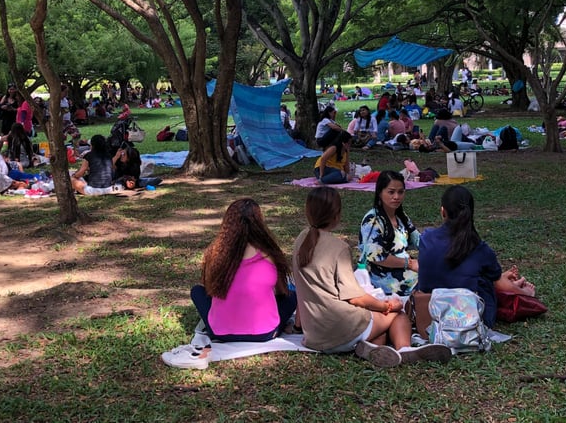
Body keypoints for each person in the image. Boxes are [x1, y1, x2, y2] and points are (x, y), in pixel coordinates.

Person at [291, 187, 450, 366]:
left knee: (378, 325)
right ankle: (404, 349)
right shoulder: (338, 247)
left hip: (315, 334)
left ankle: (370, 348)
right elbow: (355, 299)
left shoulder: (301, 240)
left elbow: (301, 289)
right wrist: (387, 305)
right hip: (341, 329)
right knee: (398, 313)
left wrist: (298, 325)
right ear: (337, 214)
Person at [417, 185, 536, 328]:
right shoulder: (479, 248)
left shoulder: (426, 238)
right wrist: (526, 293)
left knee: (479, 276)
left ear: (443, 211)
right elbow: (499, 284)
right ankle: (511, 284)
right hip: (469, 318)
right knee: (490, 280)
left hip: (430, 314)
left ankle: (503, 279)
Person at [192, 198, 296, 342]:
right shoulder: (269, 254)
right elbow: (280, 291)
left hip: (219, 332)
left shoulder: (214, 253)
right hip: (264, 333)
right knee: (292, 295)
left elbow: (211, 289)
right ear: (259, 223)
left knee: (197, 291)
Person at [358, 171, 420, 298]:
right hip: (382, 280)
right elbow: (377, 257)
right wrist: (409, 263)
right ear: (380, 193)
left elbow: (418, 240)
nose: (396, 197)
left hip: (405, 272)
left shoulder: (401, 216)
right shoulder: (372, 221)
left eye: (400, 192)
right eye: (391, 192)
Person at [314, 105, 350, 184]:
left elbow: (346, 165)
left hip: (333, 170)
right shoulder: (325, 120)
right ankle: (322, 180)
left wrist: (348, 175)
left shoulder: (346, 150)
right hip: (321, 140)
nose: (335, 114)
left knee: (345, 175)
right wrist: (321, 175)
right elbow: (323, 159)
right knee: (336, 129)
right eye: (334, 113)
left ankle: (331, 178)